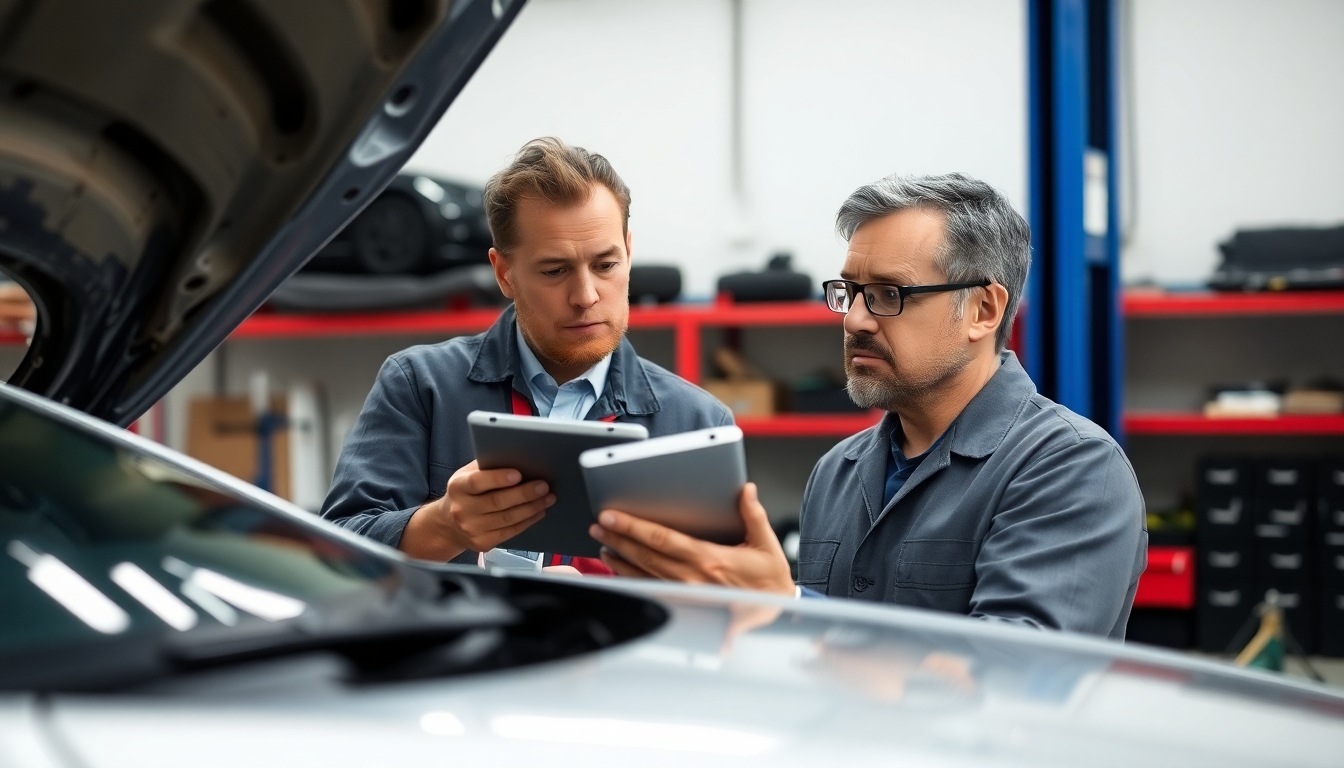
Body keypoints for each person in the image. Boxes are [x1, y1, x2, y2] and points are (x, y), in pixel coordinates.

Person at [590, 172, 1147, 639]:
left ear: (983, 310)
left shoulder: (1072, 469)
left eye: (887, 295)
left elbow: (1014, 672)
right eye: (849, 292)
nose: (855, 319)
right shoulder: (837, 471)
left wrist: (788, 605)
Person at [321, 137, 732, 568]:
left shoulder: (699, 424)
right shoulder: (420, 385)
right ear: (504, 273)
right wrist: (443, 526)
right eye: (555, 270)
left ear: (628, 253)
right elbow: (335, 554)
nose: (586, 295)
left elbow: (727, 594)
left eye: (606, 265)